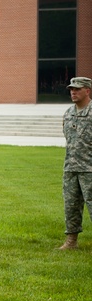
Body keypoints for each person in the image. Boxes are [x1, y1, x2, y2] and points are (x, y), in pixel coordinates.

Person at [59, 76, 92, 250]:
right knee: (71, 205)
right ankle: (71, 241)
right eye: (71, 89)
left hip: (90, 169)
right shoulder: (68, 113)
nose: (73, 92)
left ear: (87, 90)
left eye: (77, 89)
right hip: (71, 168)